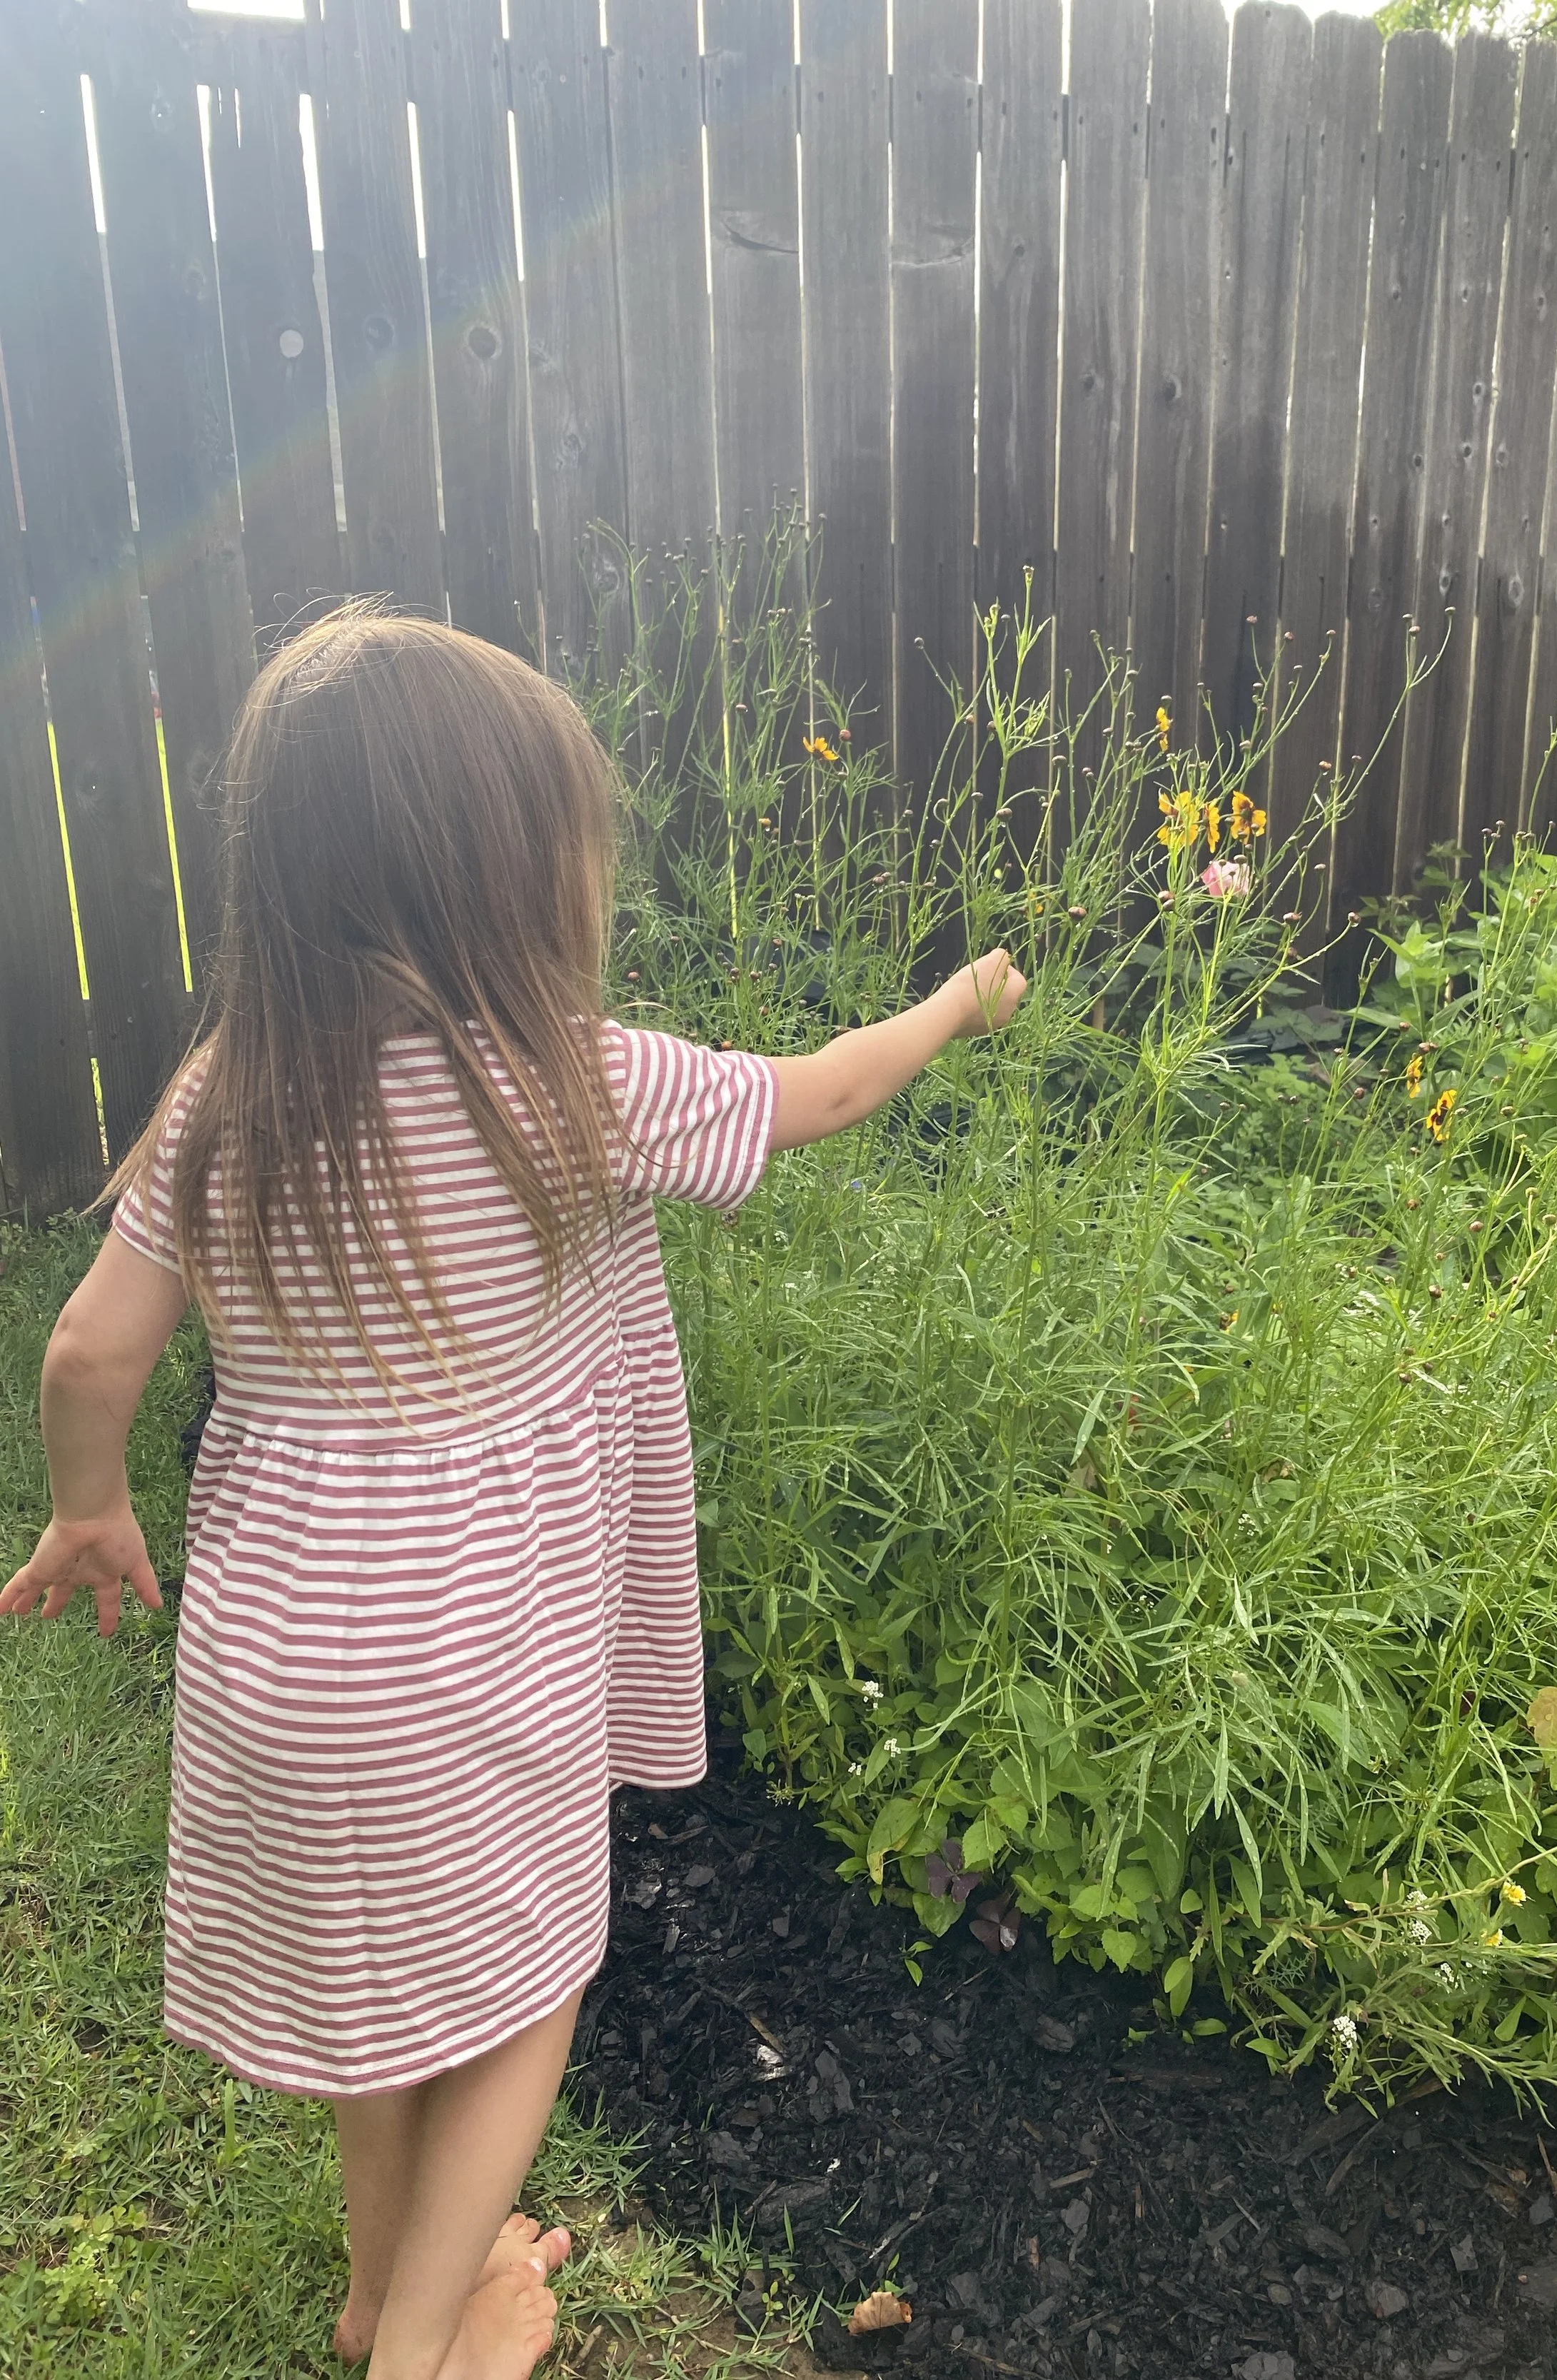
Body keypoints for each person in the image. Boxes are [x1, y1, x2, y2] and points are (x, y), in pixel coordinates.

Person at [0, 607, 1025, 2380]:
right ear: (500, 874)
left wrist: (90, 1506)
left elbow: (90, 1354)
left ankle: (377, 2283)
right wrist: (957, 1000)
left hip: (274, 1664)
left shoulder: (223, 1093)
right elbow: (829, 1090)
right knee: (524, 1973)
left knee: (389, 1994)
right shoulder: (574, 1083)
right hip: (471, 1651)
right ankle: (428, 2353)